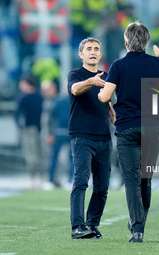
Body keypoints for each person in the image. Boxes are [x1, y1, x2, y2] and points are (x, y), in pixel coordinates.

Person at [98, 21, 159, 243]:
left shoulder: (117, 66)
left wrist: (99, 94)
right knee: (146, 179)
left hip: (127, 128)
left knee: (131, 181)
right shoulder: (156, 64)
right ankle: (139, 223)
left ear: (126, 42)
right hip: (153, 128)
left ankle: (137, 229)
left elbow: (105, 97)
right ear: (146, 41)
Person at [68, 37, 114, 239]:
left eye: (96, 48)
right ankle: (77, 227)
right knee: (80, 181)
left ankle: (92, 225)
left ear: (100, 54)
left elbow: (108, 103)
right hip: (82, 137)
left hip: (104, 137)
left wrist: (113, 113)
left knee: (102, 186)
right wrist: (91, 81)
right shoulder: (76, 74)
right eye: (88, 49)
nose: (93, 51)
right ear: (81, 54)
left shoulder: (106, 77)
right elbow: (74, 89)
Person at [15, 74, 45, 189]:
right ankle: (36, 177)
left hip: (35, 129)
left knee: (36, 154)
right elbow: (17, 115)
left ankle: (37, 177)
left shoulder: (27, 97)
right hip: (32, 129)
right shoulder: (38, 96)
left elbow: (17, 115)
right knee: (34, 154)